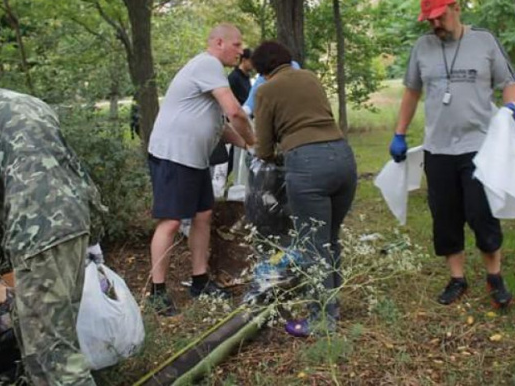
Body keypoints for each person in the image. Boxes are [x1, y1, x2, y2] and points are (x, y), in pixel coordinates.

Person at [0, 73, 105, 386]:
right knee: (48, 335)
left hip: (37, 230)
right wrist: (94, 236)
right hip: (75, 219)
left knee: (54, 353)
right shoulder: (30, 103)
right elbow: (72, 163)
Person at [389, 0, 515, 308]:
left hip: (480, 147)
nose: (434, 25)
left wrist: (511, 107)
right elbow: (411, 93)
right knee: (445, 217)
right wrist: (400, 133)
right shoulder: (422, 47)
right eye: (429, 20)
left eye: (439, 17)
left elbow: (509, 83)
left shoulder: (484, 41)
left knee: (482, 214)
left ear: (456, 8)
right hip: (438, 150)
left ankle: (495, 277)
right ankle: (457, 279)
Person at [147, 24, 256, 316]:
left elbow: (221, 126)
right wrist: (257, 140)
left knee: (203, 215)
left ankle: (199, 281)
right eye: (236, 44)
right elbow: (235, 112)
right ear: (219, 42)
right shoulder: (207, 64)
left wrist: (250, 148)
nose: (241, 50)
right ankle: (156, 292)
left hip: (194, 159)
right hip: (173, 155)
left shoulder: (212, 74)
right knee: (170, 222)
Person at [251, 40, 357, 337]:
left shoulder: (265, 91)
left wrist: (273, 155)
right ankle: (332, 309)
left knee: (313, 246)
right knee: (330, 240)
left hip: (308, 165)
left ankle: (322, 320)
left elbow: (263, 147)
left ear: (262, 70)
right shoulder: (310, 77)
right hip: (343, 158)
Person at [226, 48, 254, 176]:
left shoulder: (246, 78)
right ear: (244, 60)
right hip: (235, 122)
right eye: (251, 61)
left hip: (247, 119)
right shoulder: (233, 78)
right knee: (232, 154)